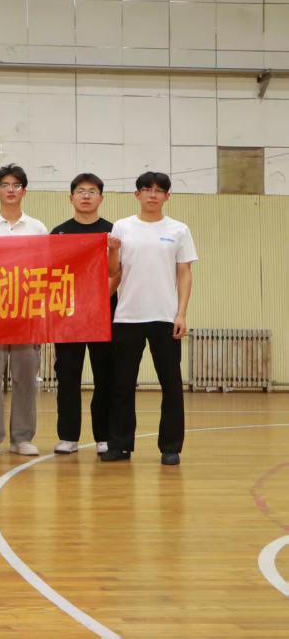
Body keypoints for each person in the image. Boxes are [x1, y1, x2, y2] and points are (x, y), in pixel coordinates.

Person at [101, 172, 197, 466]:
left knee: (171, 384)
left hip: (165, 316)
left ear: (167, 196)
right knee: (122, 384)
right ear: (137, 194)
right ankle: (120, 445)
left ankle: (171, 447)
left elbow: (184, 273)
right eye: (146, 189)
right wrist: (112, 250)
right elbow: (113, 271)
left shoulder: (179, 230)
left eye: (158, 190)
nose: (152, 195)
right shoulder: (123, 227)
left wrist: (181, 313)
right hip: (127, 316)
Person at [0, 164, 49, 456]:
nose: (11, 190)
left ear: (24, 191)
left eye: (16, 185)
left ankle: (22, 438)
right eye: (5, 185)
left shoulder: (37, 228)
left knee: (25, 377)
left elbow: (45, 269)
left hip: (26, 312)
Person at [51, 173, 117, 456]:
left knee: (105, 375)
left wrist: (98, 300)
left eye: (92, 191)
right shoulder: (59, 233)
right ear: (71, 197)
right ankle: (68, 436)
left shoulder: (113, 232)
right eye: (80, 191)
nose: (86, 196)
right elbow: (51, 275)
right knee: (67, 376)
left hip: (104, 314)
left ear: (101, 198)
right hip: (68, 316)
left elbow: (118, 271)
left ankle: (104, 436)